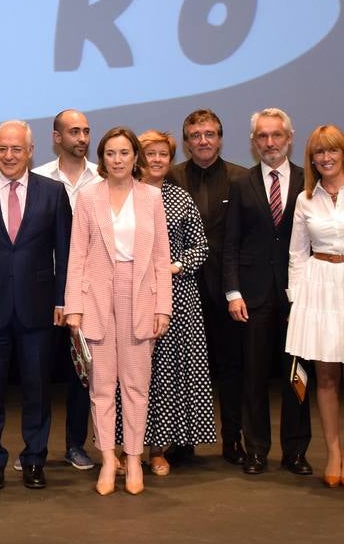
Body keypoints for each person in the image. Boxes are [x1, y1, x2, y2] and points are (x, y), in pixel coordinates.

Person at [63, 127, 172, 496]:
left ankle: (135, 458)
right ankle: (109, 458)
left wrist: (163, 307)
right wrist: (73, 308)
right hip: (96, 298)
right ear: (102, 158)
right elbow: (77, 255)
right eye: (111, 153)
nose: (118, 159)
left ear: (135, 156)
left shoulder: (151, 198)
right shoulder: (88, 198)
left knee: (137, 386)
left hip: (140, 295)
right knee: (102, 387)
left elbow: (161, 258)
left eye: (125, 152)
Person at [0, 120, 71, 491]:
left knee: (37, 390)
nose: (8, 156)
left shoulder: (53, 193)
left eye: (16, 149)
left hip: (38, 308)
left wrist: (62, 299)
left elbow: (65, 251)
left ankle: (34, 460)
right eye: (2, 149)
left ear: (30, 152)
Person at [114, 130, 216, 475]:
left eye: (163, 155)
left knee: (166, 376)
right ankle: (124, 449)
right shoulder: (123, 195)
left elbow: (200, 247)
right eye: (150, 154)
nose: (157, 160)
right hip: (127, 295)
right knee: (126, 375)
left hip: (175, 297)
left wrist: (172, 266)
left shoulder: (179, 198)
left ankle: (158, 450)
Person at [284, 124, 344, 487]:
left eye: (331, 151)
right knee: (324, 378)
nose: (325, 158)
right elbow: (296, 253)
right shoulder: (306, 198)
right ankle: (333, 454)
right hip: (318, 288)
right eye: (318, 153)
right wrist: (296, 301)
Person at [223, 108, 313, 476]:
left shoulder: (310, 181)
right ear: (253, 142)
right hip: (253, 298)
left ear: (290, 139)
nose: (270, 143)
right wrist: (233, 292)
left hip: (298, 298)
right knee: (254, 377)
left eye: (276, 135)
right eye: (262, 136)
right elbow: (230, 243)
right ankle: (256, 449)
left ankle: (295, 451)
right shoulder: (241, 183)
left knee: (298, 378)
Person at [167, 108, 247, 465]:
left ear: (220, 138)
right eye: (196, 135)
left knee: (232, 367)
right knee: (181, 368)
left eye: (210, 134)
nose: (203, 141)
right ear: (185, 142)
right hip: (180, 288)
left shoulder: (240, 179)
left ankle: (233, 441)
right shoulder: (168, 178)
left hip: (225, 289)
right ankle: (181, 442)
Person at [32, 109, 100, 472]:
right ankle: (35, 448)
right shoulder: (38, 178)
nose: (83, 138)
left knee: (82, 373)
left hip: (90, 293)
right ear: (57, 137)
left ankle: (76, 444)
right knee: (38, 372)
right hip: (44, 290)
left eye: (87, 131)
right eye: (74, 131)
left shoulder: (103, 179)